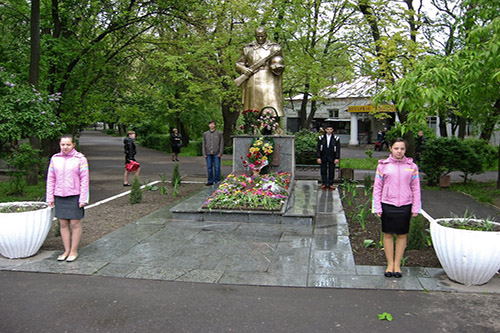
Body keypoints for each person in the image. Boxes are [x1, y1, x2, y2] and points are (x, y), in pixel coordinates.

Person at [372, 138, 421, 278]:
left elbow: (416, 188)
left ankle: (397, 265)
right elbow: (377, 187)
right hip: (387, 204)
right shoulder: (383, 166)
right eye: (396, 148)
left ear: (405, 150)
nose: (399, 151)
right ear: (390, 149)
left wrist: (415, 207)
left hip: (405, 205)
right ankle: (389, 264)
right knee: (387, 234)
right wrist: (377, 207)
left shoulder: (412, 167)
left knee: (402, 235)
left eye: (402, 149)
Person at [46, 134, 89, 262]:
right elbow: (51, 179)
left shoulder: (80, 159)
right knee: (63, 224)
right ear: (59, 145)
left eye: (68, 144)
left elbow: (84, 180)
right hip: (59, 195)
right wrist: (50, 197)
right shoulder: (55, 159)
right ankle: (66, 250)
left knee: (75, 223)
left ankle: (74, 251)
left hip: (74, 195)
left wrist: (83, 198)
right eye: (63, 144)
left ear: (73, 145)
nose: (65, 147)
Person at [235, 26, 285, 117]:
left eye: (262, 36)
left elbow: (280, 63)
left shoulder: (274, 48)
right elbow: (238, 64)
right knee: (253, 107)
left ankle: (273, 125)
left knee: (272, 104)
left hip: (270, 79)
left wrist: (278, 67)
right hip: (253, 79)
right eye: (258, 36)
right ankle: (253, 125)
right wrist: (244, 69)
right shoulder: (248, 48)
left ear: (266, 35)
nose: (260, 38)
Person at [316, 125, 341, 190]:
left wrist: (337, 158)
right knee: (323, 170)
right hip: (323, 156)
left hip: (332, 156)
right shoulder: (321, 138)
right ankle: (324, 183)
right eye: (328, 129)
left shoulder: (336, 138)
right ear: (325, 130)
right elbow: (318, 148)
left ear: (332, 130)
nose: (329, 131)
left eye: (330, 129)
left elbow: (338, 149)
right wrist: (318, 157)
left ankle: (330, 184)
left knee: (331, 170)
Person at [202, 120, 224, 186]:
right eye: (210, 124)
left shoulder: (219, 133)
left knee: (217, 167)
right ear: (209, 125)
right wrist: (204, 153)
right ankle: (210, 180)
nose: (211, 125)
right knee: (209, 167)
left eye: (213, 124)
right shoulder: (205, 134)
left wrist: (220, 152)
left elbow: (221, 143)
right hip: (208, 153)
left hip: (216, 153)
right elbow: (204, 144)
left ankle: (217, 180)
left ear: (215, 125)